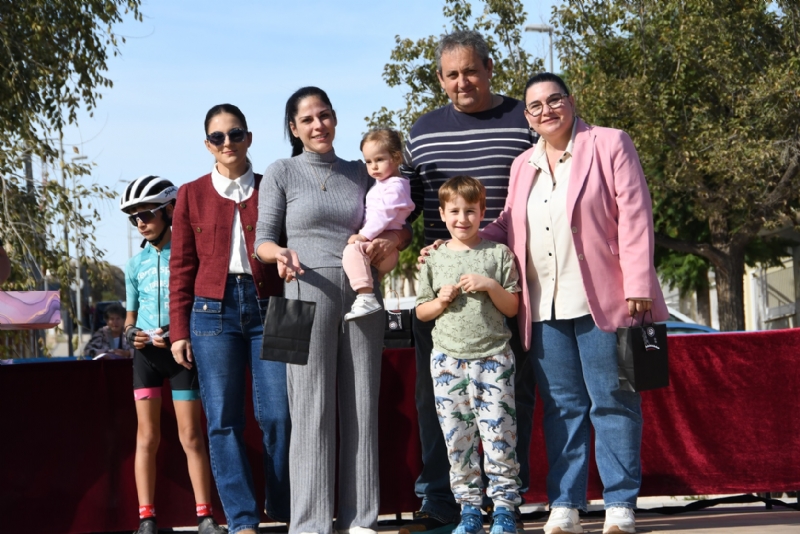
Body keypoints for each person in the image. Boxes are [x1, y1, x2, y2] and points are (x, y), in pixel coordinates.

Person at [481, 72, 669, 534]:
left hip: (604, 299)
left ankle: (620, 502)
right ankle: (565, 501)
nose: (546, 111)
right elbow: (507, 225)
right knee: (561, 407)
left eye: (554, 100)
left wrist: (638, 281)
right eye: (535, 106)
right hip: (543, 307)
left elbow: (635, 212)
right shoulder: (522, 164)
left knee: (613, 401)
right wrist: (458, 245)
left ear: (571, 101)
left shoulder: (609, 143)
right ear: (527, 117)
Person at [255, 86, 410, 534]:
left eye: (324, 115)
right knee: (307, 411)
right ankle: (309, 525)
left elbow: (396, 229)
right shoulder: (280, 171)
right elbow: (262, 239)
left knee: (362, 403)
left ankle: (360, 520)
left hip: (363, 297)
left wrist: (392, 243)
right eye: (307, 119)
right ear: (293, 128)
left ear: (336, 119)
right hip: (298, 296)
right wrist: (277, 253)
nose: (318, 125)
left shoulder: (363, 172)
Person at [402, 29, 537, 534]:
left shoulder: (520, 122)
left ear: (489, 69)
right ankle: (447, 502)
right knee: (437, 406)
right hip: (441, 286)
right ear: (441, 80)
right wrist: (385, 242)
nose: (462, 81)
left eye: (470, 71)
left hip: (503, 277)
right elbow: (408, 206)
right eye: (452, 74)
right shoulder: (422, 131)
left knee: (510, 403)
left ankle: (508, 504)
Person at [170, 104, 291, 534]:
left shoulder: (273, 186)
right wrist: (179, 331)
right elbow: (181, 267)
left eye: (235, 134)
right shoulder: (190, 193)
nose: (228, 143)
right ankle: (242, 520)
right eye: (218, 137)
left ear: (249, 138)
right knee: (222, 420)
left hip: (275, 307)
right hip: (210, 312)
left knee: (281, 414)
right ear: (208, 145)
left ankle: (284, 506)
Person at [416, 176, 521, 534]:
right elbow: (421, 312)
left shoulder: (498, 254)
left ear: (483, 212)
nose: (463, 218)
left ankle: (505, 508)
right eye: (455, 211)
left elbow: (512, 308)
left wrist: (490, 285)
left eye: (470, 211)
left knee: (499, 436)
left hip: (494, 359)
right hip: (447, 359)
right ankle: (470, 511)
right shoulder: (432, 258)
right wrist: (441, 300)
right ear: (443, 214)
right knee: (457, 439)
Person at [120, 175, 224, 534]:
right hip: (146, 358)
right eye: (133, 218)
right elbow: (129, 321)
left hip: (182, 353)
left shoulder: (188, 254)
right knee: (146, 437)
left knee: (191, 435)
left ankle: (205, 516)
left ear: (168, 211)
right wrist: (133, 335)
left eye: (146, 214)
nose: (140, 224)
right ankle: (146, 518)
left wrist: (180, 332)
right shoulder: (134, 266)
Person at [342, 128, 414, 321]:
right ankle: (370, 293)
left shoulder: (395, 186)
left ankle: (366, 297)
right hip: (385, 249)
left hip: (386, 249)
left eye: (379, 160)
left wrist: (363, 235)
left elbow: (383, 214)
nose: (373, 166)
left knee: (352, 251)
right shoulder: (385, 183)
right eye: (368, 161)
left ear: (397, 157)